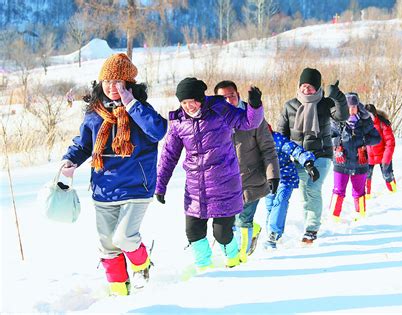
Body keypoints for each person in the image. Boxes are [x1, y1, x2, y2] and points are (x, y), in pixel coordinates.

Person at [61, 53, 168, 296]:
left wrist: (131, 104)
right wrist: (69, 160)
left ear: (128, 84)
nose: (111, 87)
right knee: (107, 245)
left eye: (118, 82)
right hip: (104, 187)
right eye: (107, 81)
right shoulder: (94, 114)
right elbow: (83, 145)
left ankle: (142, 266)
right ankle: (119, 291)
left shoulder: (141, 110)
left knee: (125, 237)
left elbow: (158, 131)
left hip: (136, 186)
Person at [155, 77, 264, 270]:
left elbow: (248, 122)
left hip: (224, 184)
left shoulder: (219, 110)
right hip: (195, 188)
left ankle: (233, 261)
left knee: (221, 234)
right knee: (193, 232)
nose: (189, 106)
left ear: (201, 98)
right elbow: (169, 156)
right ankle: (204, 268)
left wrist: (254, 105)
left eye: (192, 101)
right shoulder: (179, 122)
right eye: (184, 103)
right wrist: (160, 186)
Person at [277, 67, 349, 244]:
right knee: (304, 194)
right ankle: (308, 224)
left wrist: (337, 96)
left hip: (321, 155)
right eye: (303, 85)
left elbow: (342, 116)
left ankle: (312, 228)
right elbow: (281, 133)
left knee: (312, 188)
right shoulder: (290, 106)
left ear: (317, 88)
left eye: (310, 87)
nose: (306, 89)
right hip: (299, 158)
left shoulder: (325, 104)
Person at [214, 80, 280, 263]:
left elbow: (268, 148)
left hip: (251, 179)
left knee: (243, 220)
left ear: (238, 95)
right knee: (230, 222)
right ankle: (250, 235)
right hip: (225, 182)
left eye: (232, 96)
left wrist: (272, 174)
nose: (228, 101)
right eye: (223, 98)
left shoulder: (253, 117)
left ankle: (241, 259)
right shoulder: (214, 120)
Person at [265, 124, 319, 249]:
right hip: (268, 178)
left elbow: (294, 149)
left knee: (280, 200)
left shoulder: (277, 139)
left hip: (285, 176)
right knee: (270, 206)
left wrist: (308, 163)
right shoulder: (253, 142)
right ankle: (271, 237)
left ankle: (273, 233)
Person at [329, 93, 381, 221]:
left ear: (358, 107)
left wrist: (363, 139)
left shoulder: (365, 122)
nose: (351, 109)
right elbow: (327, 137)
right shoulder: (336, 121)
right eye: (348, 106)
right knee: (338, 190)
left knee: (359, 191)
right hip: (341, 162)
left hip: (360, 162)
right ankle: (334, 217)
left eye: (354, 106)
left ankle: (361, 215)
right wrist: (336, 143)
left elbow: (377, 138)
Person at [364, 103, 396, 198]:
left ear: (374, 115)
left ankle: (394, 192)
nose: (368, 119)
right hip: (368, 157)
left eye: (370, 116)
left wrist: (386, 159)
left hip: (383, 155)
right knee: (366, 177)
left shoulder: (383, 124)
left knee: (387, 175)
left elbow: (390, 143)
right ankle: (367, 196)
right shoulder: (362, 125)